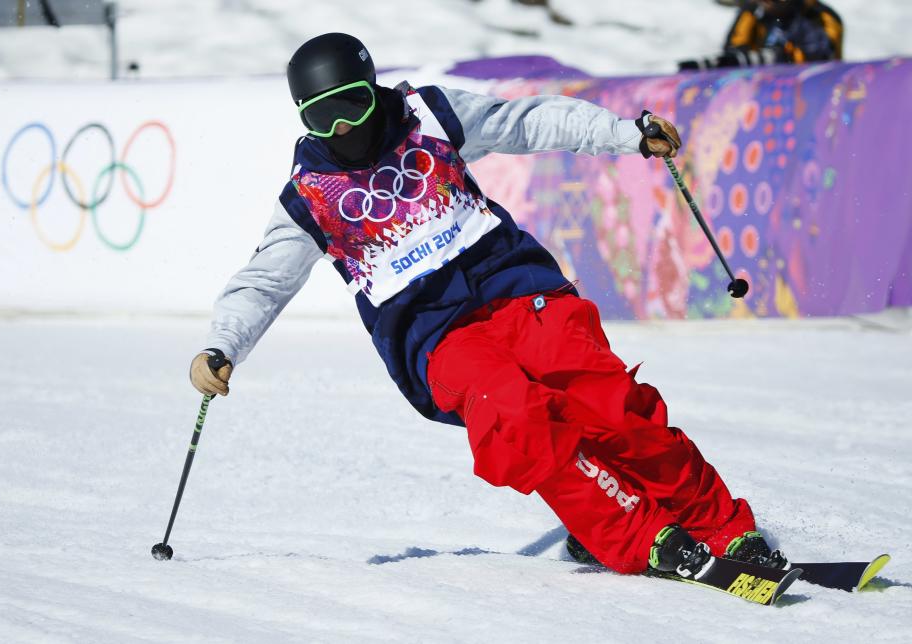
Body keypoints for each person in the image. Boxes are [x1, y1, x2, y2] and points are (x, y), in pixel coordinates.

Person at [190, 32, 787, 577]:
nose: (342, 129)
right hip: (434, 336)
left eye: (353, 106)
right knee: (517, 416)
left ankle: (721, 525)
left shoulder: (427, 115)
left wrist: (623, 133)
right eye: (322, 118)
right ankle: (634, 535)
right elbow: (263, 281)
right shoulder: (309, 199)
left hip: (515, 288)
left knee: (608, 402)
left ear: (372, 91)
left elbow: (525, 122)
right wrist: (222, 345)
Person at [679, 0, 843, 71]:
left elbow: (820, 58)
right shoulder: (753, 12)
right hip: (763, 95)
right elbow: (733, 53)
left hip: (812, 95)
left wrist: (772, 57)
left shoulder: (819, 16)